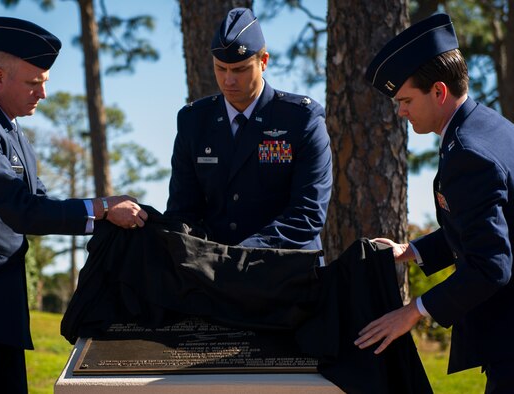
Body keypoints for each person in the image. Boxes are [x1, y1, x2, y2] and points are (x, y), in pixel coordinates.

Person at [0, 17, 148, 393]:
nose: (42, 94)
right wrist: (102, 208)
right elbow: (20, 209)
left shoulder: (13, 134)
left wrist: (105, 211)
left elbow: (39, 203)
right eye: (33, 83)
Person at [355, 13, 514, 392]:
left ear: (439, 92)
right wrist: (410, 252)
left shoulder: (469, 153)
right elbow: (477, 225)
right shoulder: (491, 128)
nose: (401, 111)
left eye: (406, 100)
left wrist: (413, 312)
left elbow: (492, 265)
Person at [166, 7, 332, 253]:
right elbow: (183, 210)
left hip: (285, 272)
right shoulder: (194, 122)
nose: (228, 80)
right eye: (221, 68)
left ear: (263, 61)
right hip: (214, 272)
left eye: (240, 69)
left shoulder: (301, 120)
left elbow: (307, 214)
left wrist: (238, 255)